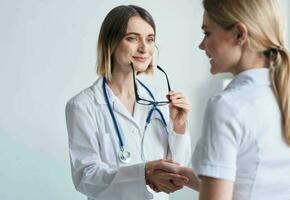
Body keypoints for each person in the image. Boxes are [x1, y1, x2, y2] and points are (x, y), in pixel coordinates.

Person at [151, 0, 290, 199]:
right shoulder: (280, 95)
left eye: (207, 33)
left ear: (239, 34)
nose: (201, 45)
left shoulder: (227, 106)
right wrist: (181, 174)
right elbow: (249, 181)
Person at [65, 5, 191, 200]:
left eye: (150, 39)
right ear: (111, 42)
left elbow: (176, 170)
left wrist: (179, 127)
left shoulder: (161, 100)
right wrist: (143, 173)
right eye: (132, 38)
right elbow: (85, 178)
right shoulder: (83, 106)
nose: (144, 48)